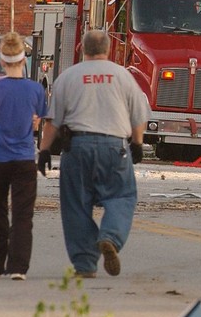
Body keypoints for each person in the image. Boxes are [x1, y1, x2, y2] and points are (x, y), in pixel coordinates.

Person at [37, 30, 149, 279]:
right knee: (122, 196)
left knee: (76, 204)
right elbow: (139, 114)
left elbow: (52, 121)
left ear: (81, 48)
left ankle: (85, 264)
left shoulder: (68, 77)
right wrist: (138, 143)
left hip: (77, 147)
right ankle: (110, 236)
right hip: (114, 147)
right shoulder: (123, 76)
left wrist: (44, 150)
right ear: (108, 49)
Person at [0, 32, 47, 280]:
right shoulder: (35, 90)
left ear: (2, 60)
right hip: (23, 157)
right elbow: (36, 123)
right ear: (24, 60)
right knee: (23, 212)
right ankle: (18, 266)